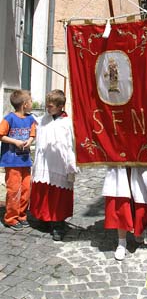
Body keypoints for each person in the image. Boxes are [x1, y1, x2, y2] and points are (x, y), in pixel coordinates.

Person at [30, 90, 78, 241]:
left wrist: (72, 163)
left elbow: (72, 144)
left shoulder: (68, 123)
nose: (47, 109)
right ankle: (44, 218)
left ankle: (58, 224)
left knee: (58, 195)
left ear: (60, 106)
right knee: (43, 192)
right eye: (47, 106)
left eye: (51, 106)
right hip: (44, 164)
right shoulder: (43, 119)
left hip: (60, 166)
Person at [0, 90, 36, 230]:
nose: (32, 103)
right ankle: (11, 217)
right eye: (31, 101)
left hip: (25, 161)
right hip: (12, 161)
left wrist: (30, 140)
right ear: (25, 104)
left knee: (27, 188)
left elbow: (33, 133)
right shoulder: (9, 118)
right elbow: (1, 134)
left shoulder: (31, 119)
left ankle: (22, 214)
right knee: (14, 190)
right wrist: (15, 141)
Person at [102, 167, 147, 261]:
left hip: (138, 164)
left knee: (140, 204)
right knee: (121, 205)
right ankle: (122, 242)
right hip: (119, 166)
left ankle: (139, 229)